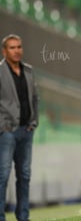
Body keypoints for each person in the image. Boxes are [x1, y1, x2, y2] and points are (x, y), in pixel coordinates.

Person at [0, 34, 39, 221]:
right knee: (3, 175)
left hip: (27, 130)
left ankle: (23, 217)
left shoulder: (29, 71)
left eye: (19, 47)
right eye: (12, 47)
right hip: (7, 132)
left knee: (24, 176)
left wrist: (34, 122)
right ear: (4, 51)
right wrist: (2, 127)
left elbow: (34, 99)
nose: (17, 51)